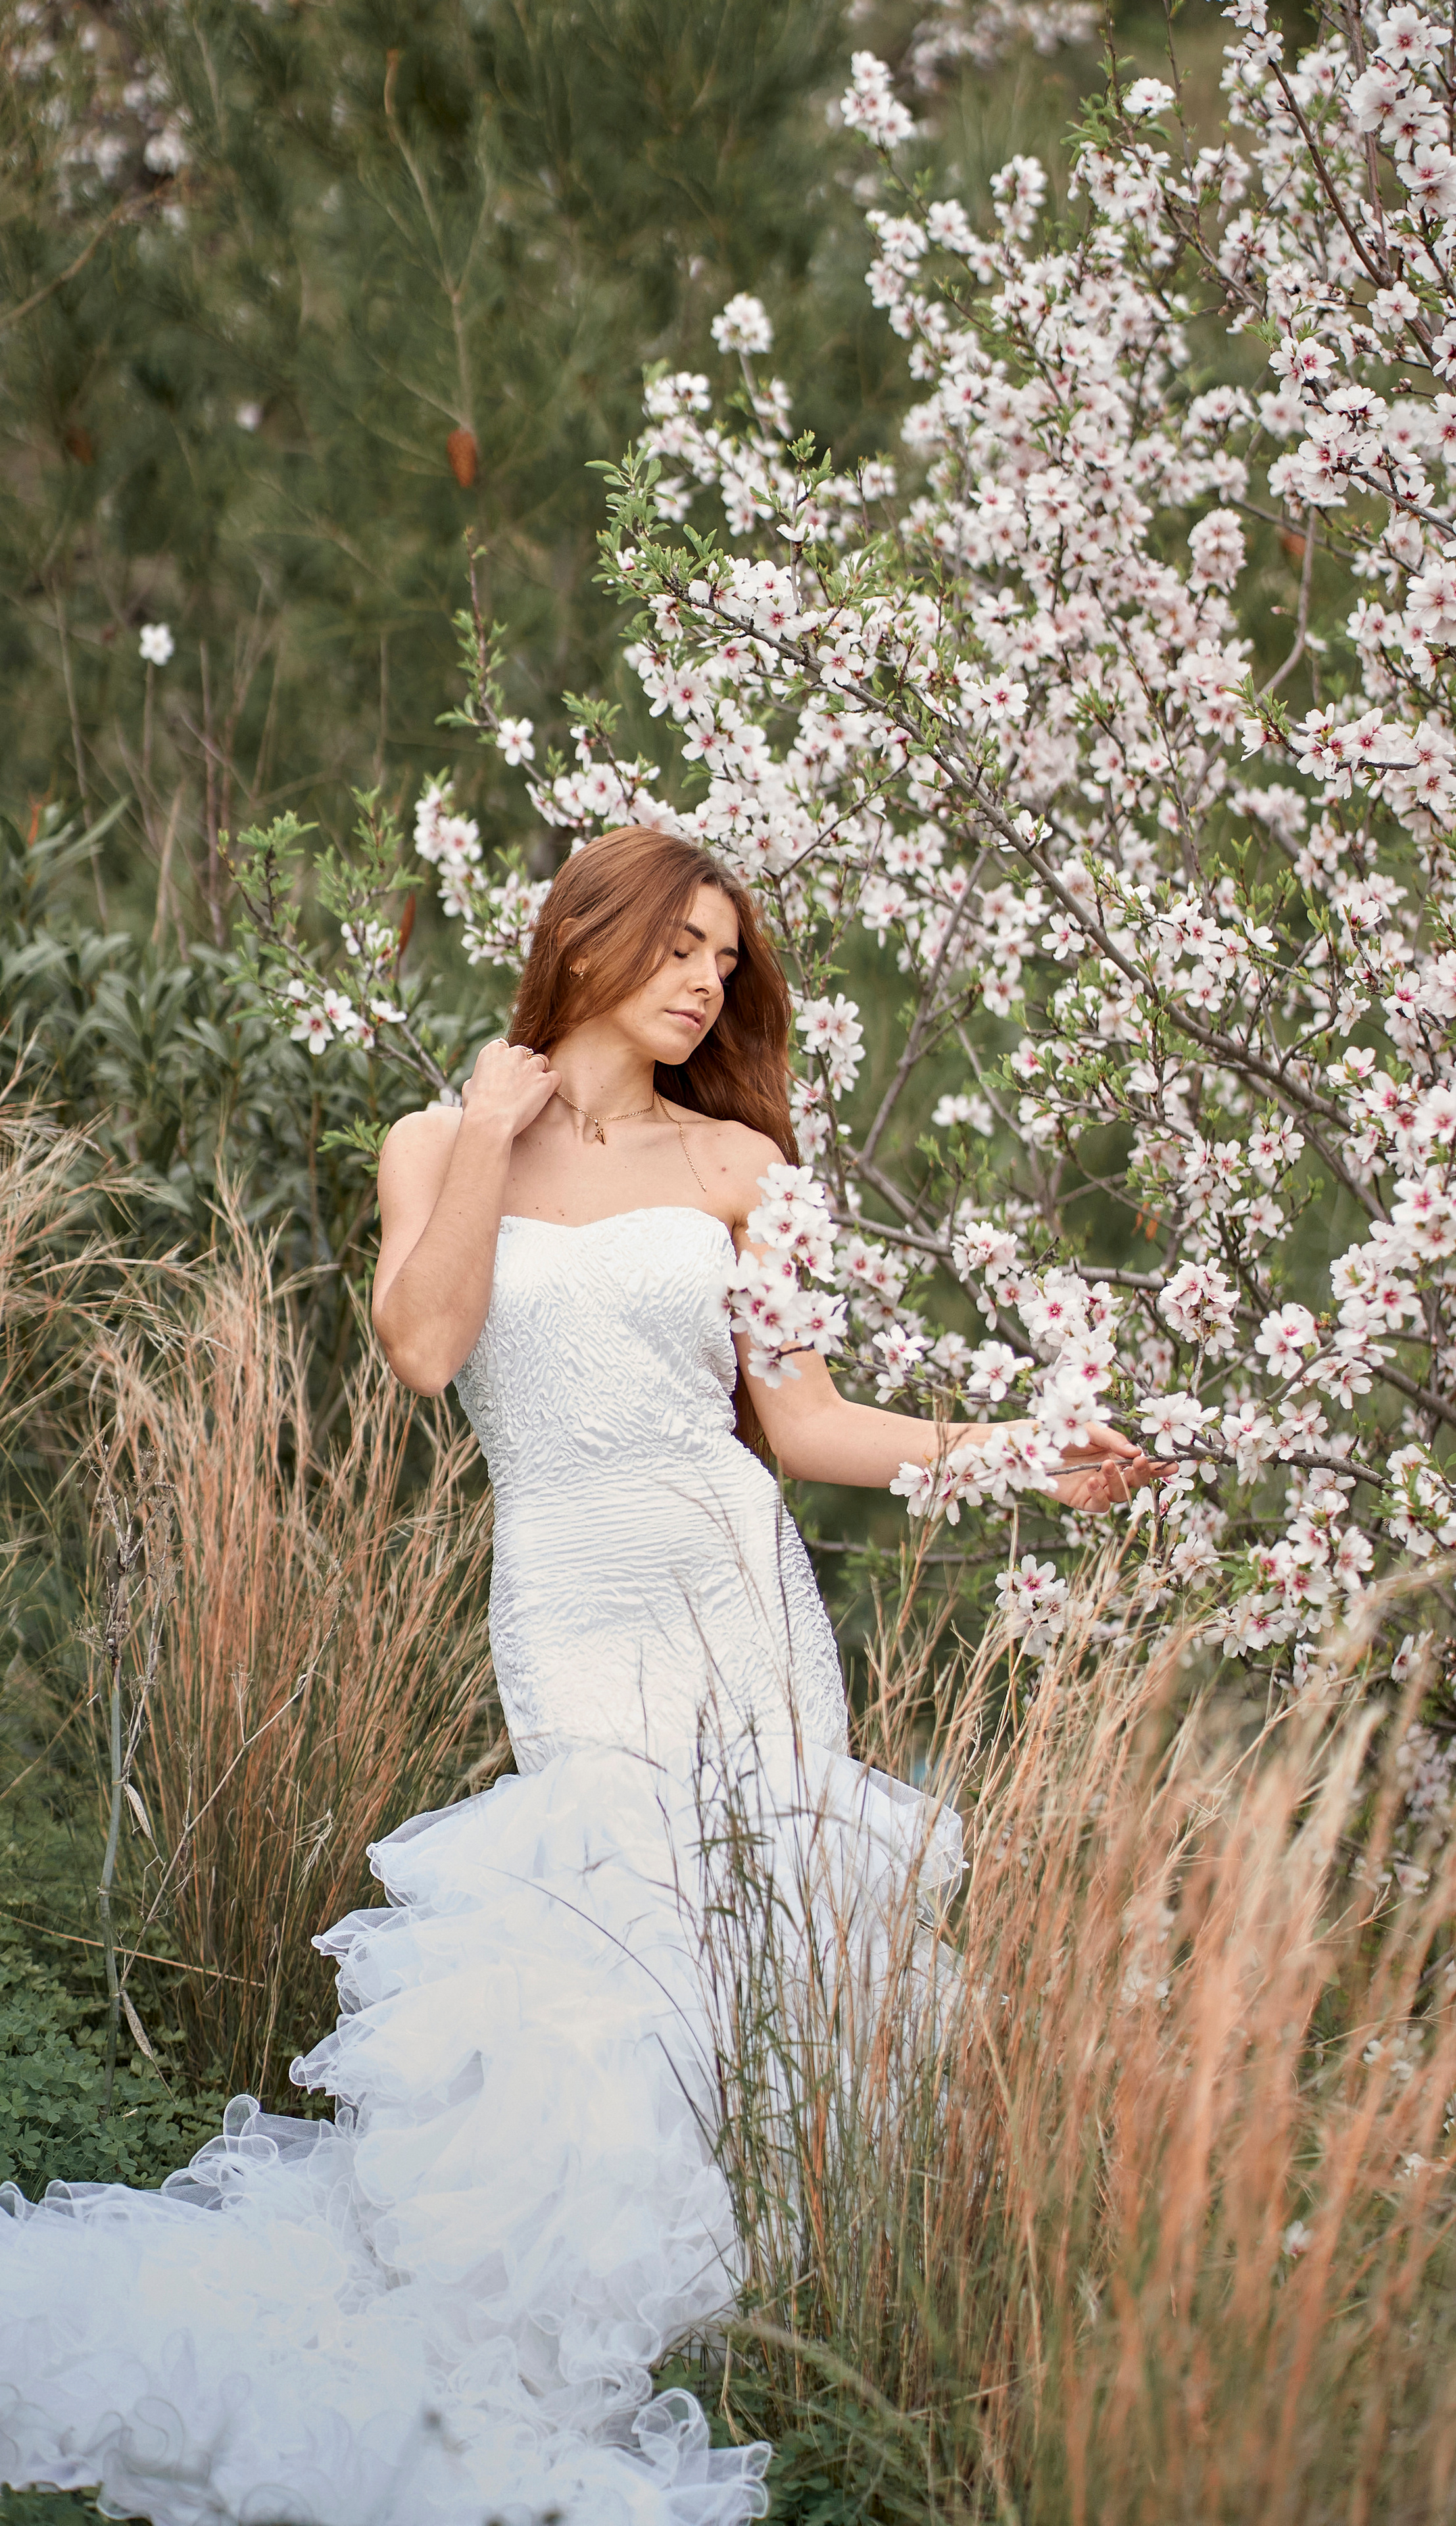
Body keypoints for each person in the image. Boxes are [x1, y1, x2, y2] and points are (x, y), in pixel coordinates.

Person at [0, 826, 1159, 2526]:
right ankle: (527, 2340)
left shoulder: (748, 1178)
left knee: (737, 1942)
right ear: (591, 937)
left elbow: (811, 1425)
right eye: (682, 944)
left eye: (727, 958)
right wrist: (489, 1128)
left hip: (731, 1587)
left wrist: (1012, 1451)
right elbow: (424, 1347)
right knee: (588, 1945)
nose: (709, 980)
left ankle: (722, 2328)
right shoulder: (438, 1137)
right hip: (570, 1588)